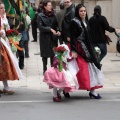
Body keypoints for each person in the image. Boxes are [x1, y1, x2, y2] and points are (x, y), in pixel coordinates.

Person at [69, 4, 104, 99]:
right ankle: (66, 89)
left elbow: (89, 37)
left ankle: (93, 91)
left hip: (88, 47)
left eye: (84, 11)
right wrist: (73, 50)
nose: (83, 12)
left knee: (93, 68)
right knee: (77, 69)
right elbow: (72, 37)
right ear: (77, 12)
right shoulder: (74, 22)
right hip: (78, 48)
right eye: (81, 11)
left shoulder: (86, 22)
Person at [0, 2, 23, 96]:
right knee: (3, 64)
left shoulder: (4, 18)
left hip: (4, 43)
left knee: (4, 65)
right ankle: (5, 87)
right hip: (1, 44)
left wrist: (12, 36)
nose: (3, 9)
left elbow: (7, 30)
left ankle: (5, 86)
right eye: (1, 8)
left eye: (3, 8)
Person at [37, 0, 61, 75]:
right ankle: (45, 68)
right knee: (44, 54)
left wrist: (58, 31)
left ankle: (52, 68)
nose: (51, 6)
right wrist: (50, 29)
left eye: (51, 5)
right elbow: (40, 27)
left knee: (53, 54)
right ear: (45, 6)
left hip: (53, 38)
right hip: (44, 38)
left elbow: (56, 25)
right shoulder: (40, 15)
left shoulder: (54, 15)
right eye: (49, 5)